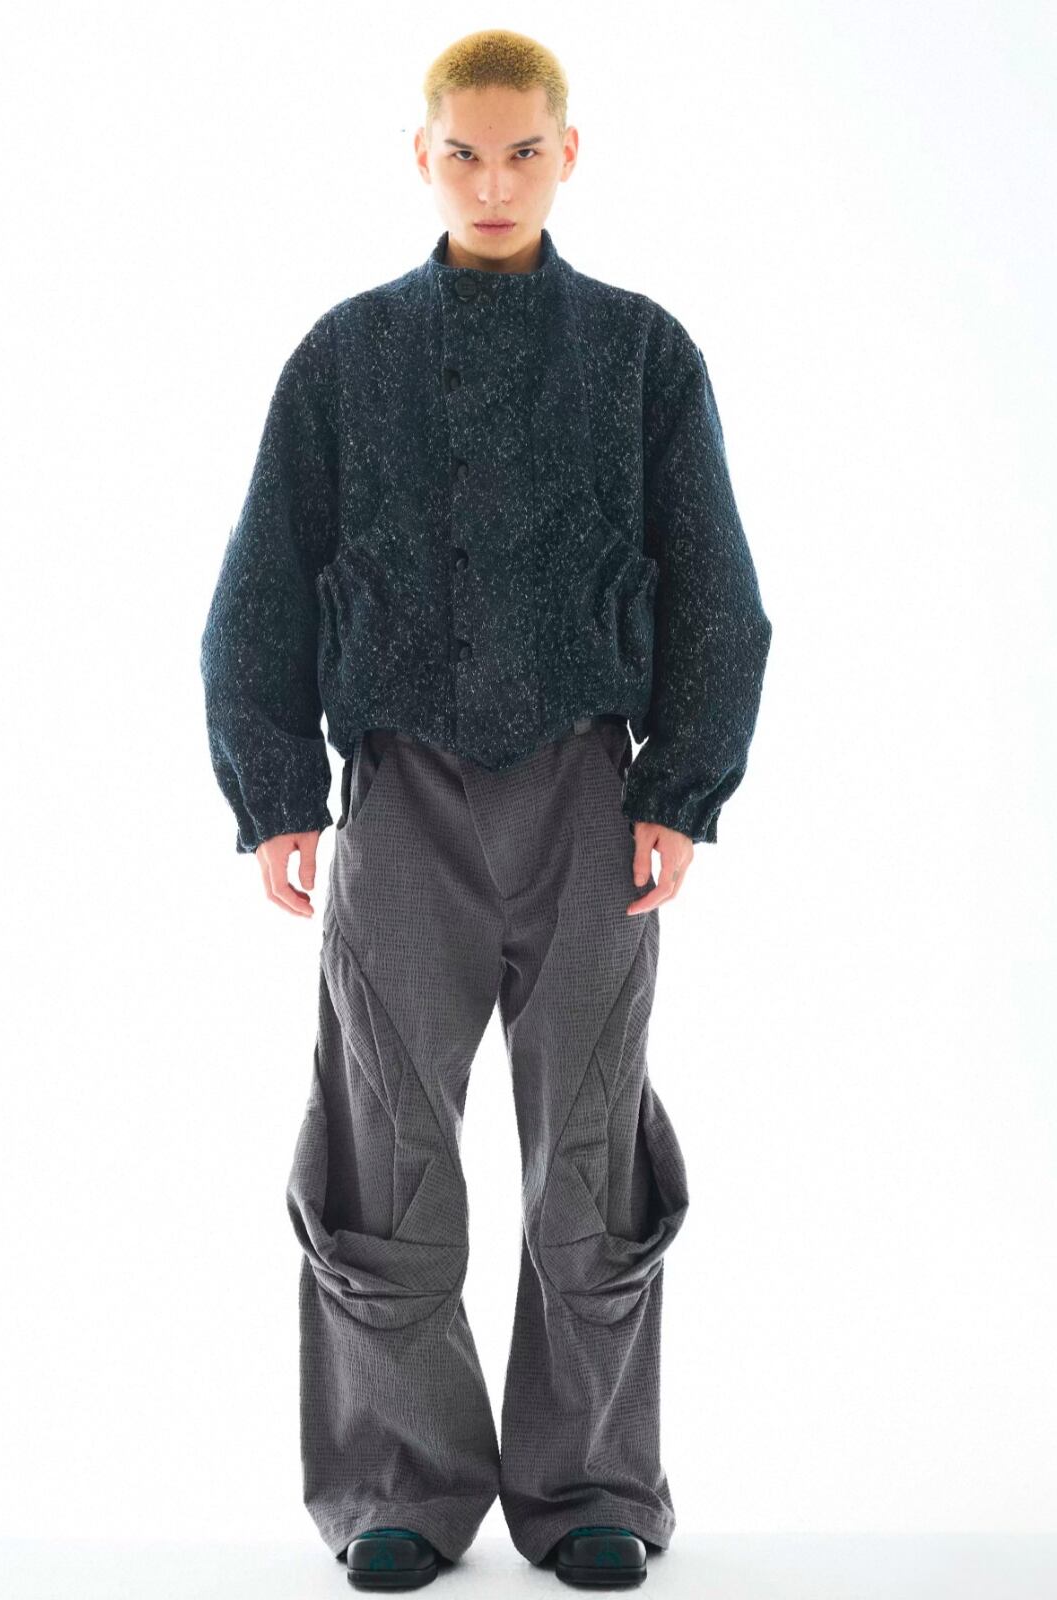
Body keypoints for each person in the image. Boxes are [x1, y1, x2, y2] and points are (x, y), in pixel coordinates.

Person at [199, 27, 772, 1591]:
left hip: (593, 795)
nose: (495, 181)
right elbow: (260, 583)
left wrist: (681, 788)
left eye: (524, 152)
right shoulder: (347, 356)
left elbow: (716, 586)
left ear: (568, 154)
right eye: (465, 152)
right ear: (422, 157)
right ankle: (399, 1484)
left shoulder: (643, 354)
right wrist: (277, 792)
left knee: (589, 1148)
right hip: (398, 801)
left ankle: (592, 1488)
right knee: (383, 1144)